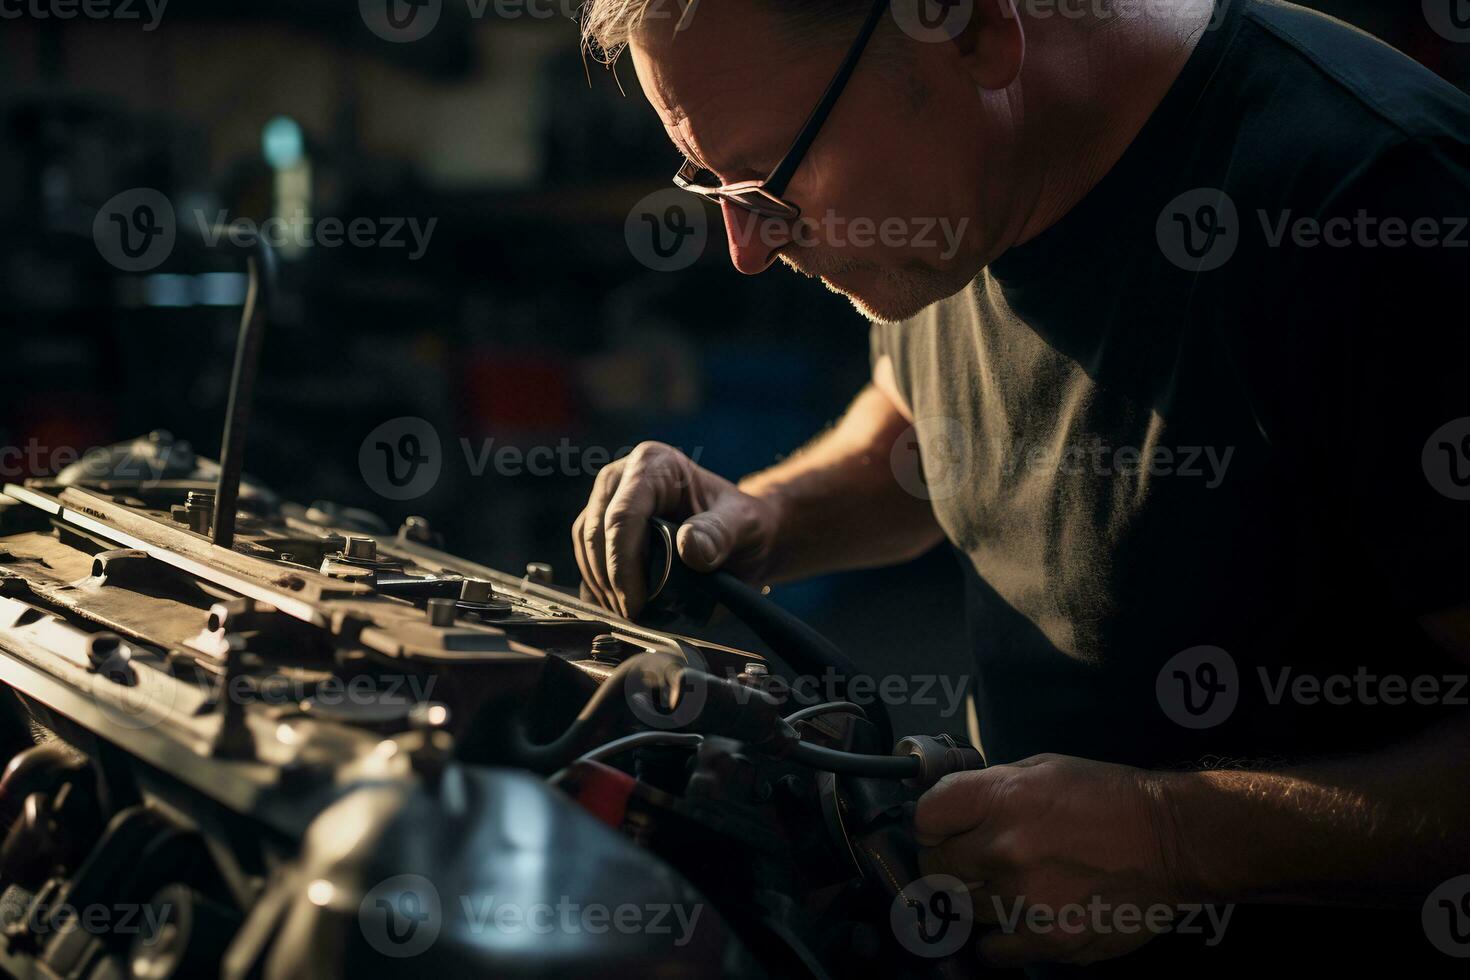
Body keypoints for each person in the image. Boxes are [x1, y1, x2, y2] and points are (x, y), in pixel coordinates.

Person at [572, 0, 1470, 973]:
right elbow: (926, 427)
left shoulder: (1373, 207)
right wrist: (767, 515)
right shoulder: (958, 182)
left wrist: (1179, 839)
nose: (749, 246)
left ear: (973, 32)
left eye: (769, 178)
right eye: (713, 186)